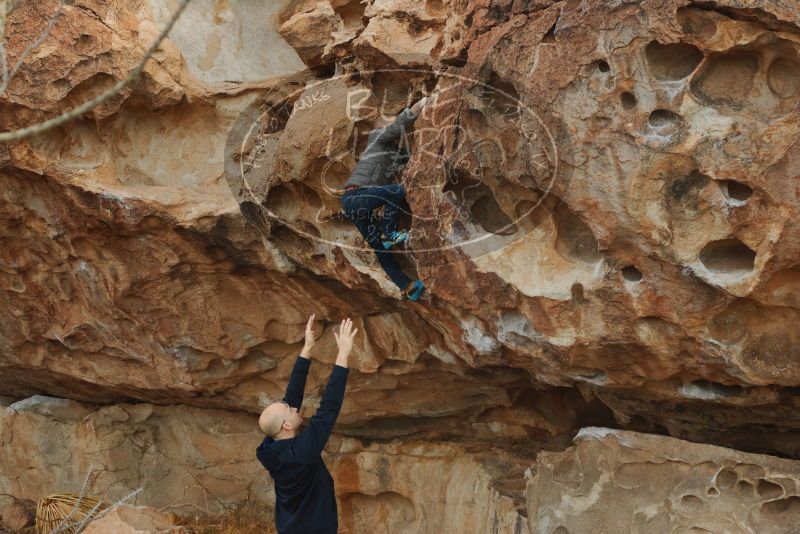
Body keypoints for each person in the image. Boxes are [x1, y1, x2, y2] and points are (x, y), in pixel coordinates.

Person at [256, 314, 358, 534]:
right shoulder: (304, 451)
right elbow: (329, 408)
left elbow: (291, 396)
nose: (294, 407)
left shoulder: (270, 449)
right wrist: (343, 354)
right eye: (289, 410)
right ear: (287, 426)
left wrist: (307, 348)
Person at [341, 96, 431, 301]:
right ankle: (389, 231)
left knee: (380, 249)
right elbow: (399, 125)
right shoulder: (378, 139)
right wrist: (421, 104)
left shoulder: (393, 151)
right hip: (355, 197)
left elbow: (410, 157)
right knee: (396, 191)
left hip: (355, 203)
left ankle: (408, 287)